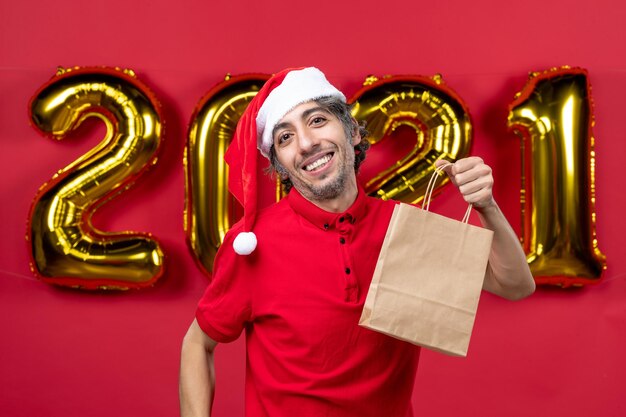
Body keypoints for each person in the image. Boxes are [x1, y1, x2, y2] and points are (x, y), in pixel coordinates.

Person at [179, 67, 535, 417]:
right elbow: (198, 342)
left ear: (352, 133)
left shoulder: (403, 227)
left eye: (317, 120)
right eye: (285, 138)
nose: (305, 143)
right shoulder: (253, 244)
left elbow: (514, 284)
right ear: (281, 166)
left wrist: (487, 206)